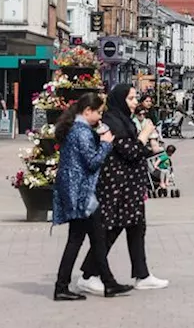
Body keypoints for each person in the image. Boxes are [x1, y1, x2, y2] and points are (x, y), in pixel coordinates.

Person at [78, 84, 171, 293]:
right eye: (131, 98)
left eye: (135, 97)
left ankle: (142, 274)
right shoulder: (112, 121)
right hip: (117, 185)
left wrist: (155, 153)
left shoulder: (124, 120)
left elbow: (136, 151)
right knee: (112, 228)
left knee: (136, 227)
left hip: (130, 184)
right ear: (120, 100)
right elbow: (128, 150)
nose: (135, 102)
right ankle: (89, 274)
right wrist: (146, 133)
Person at [51, 92, 134, 301]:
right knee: (86, 239)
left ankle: (105, 282)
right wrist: (106, 143)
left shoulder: (76, 129)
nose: (100, 117)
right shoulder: (82, 132)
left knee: (91, 239)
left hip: (76, 192)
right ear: (87, 112)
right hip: (83, 194)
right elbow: (92, 161)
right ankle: (66, 286)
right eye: (97, 113)